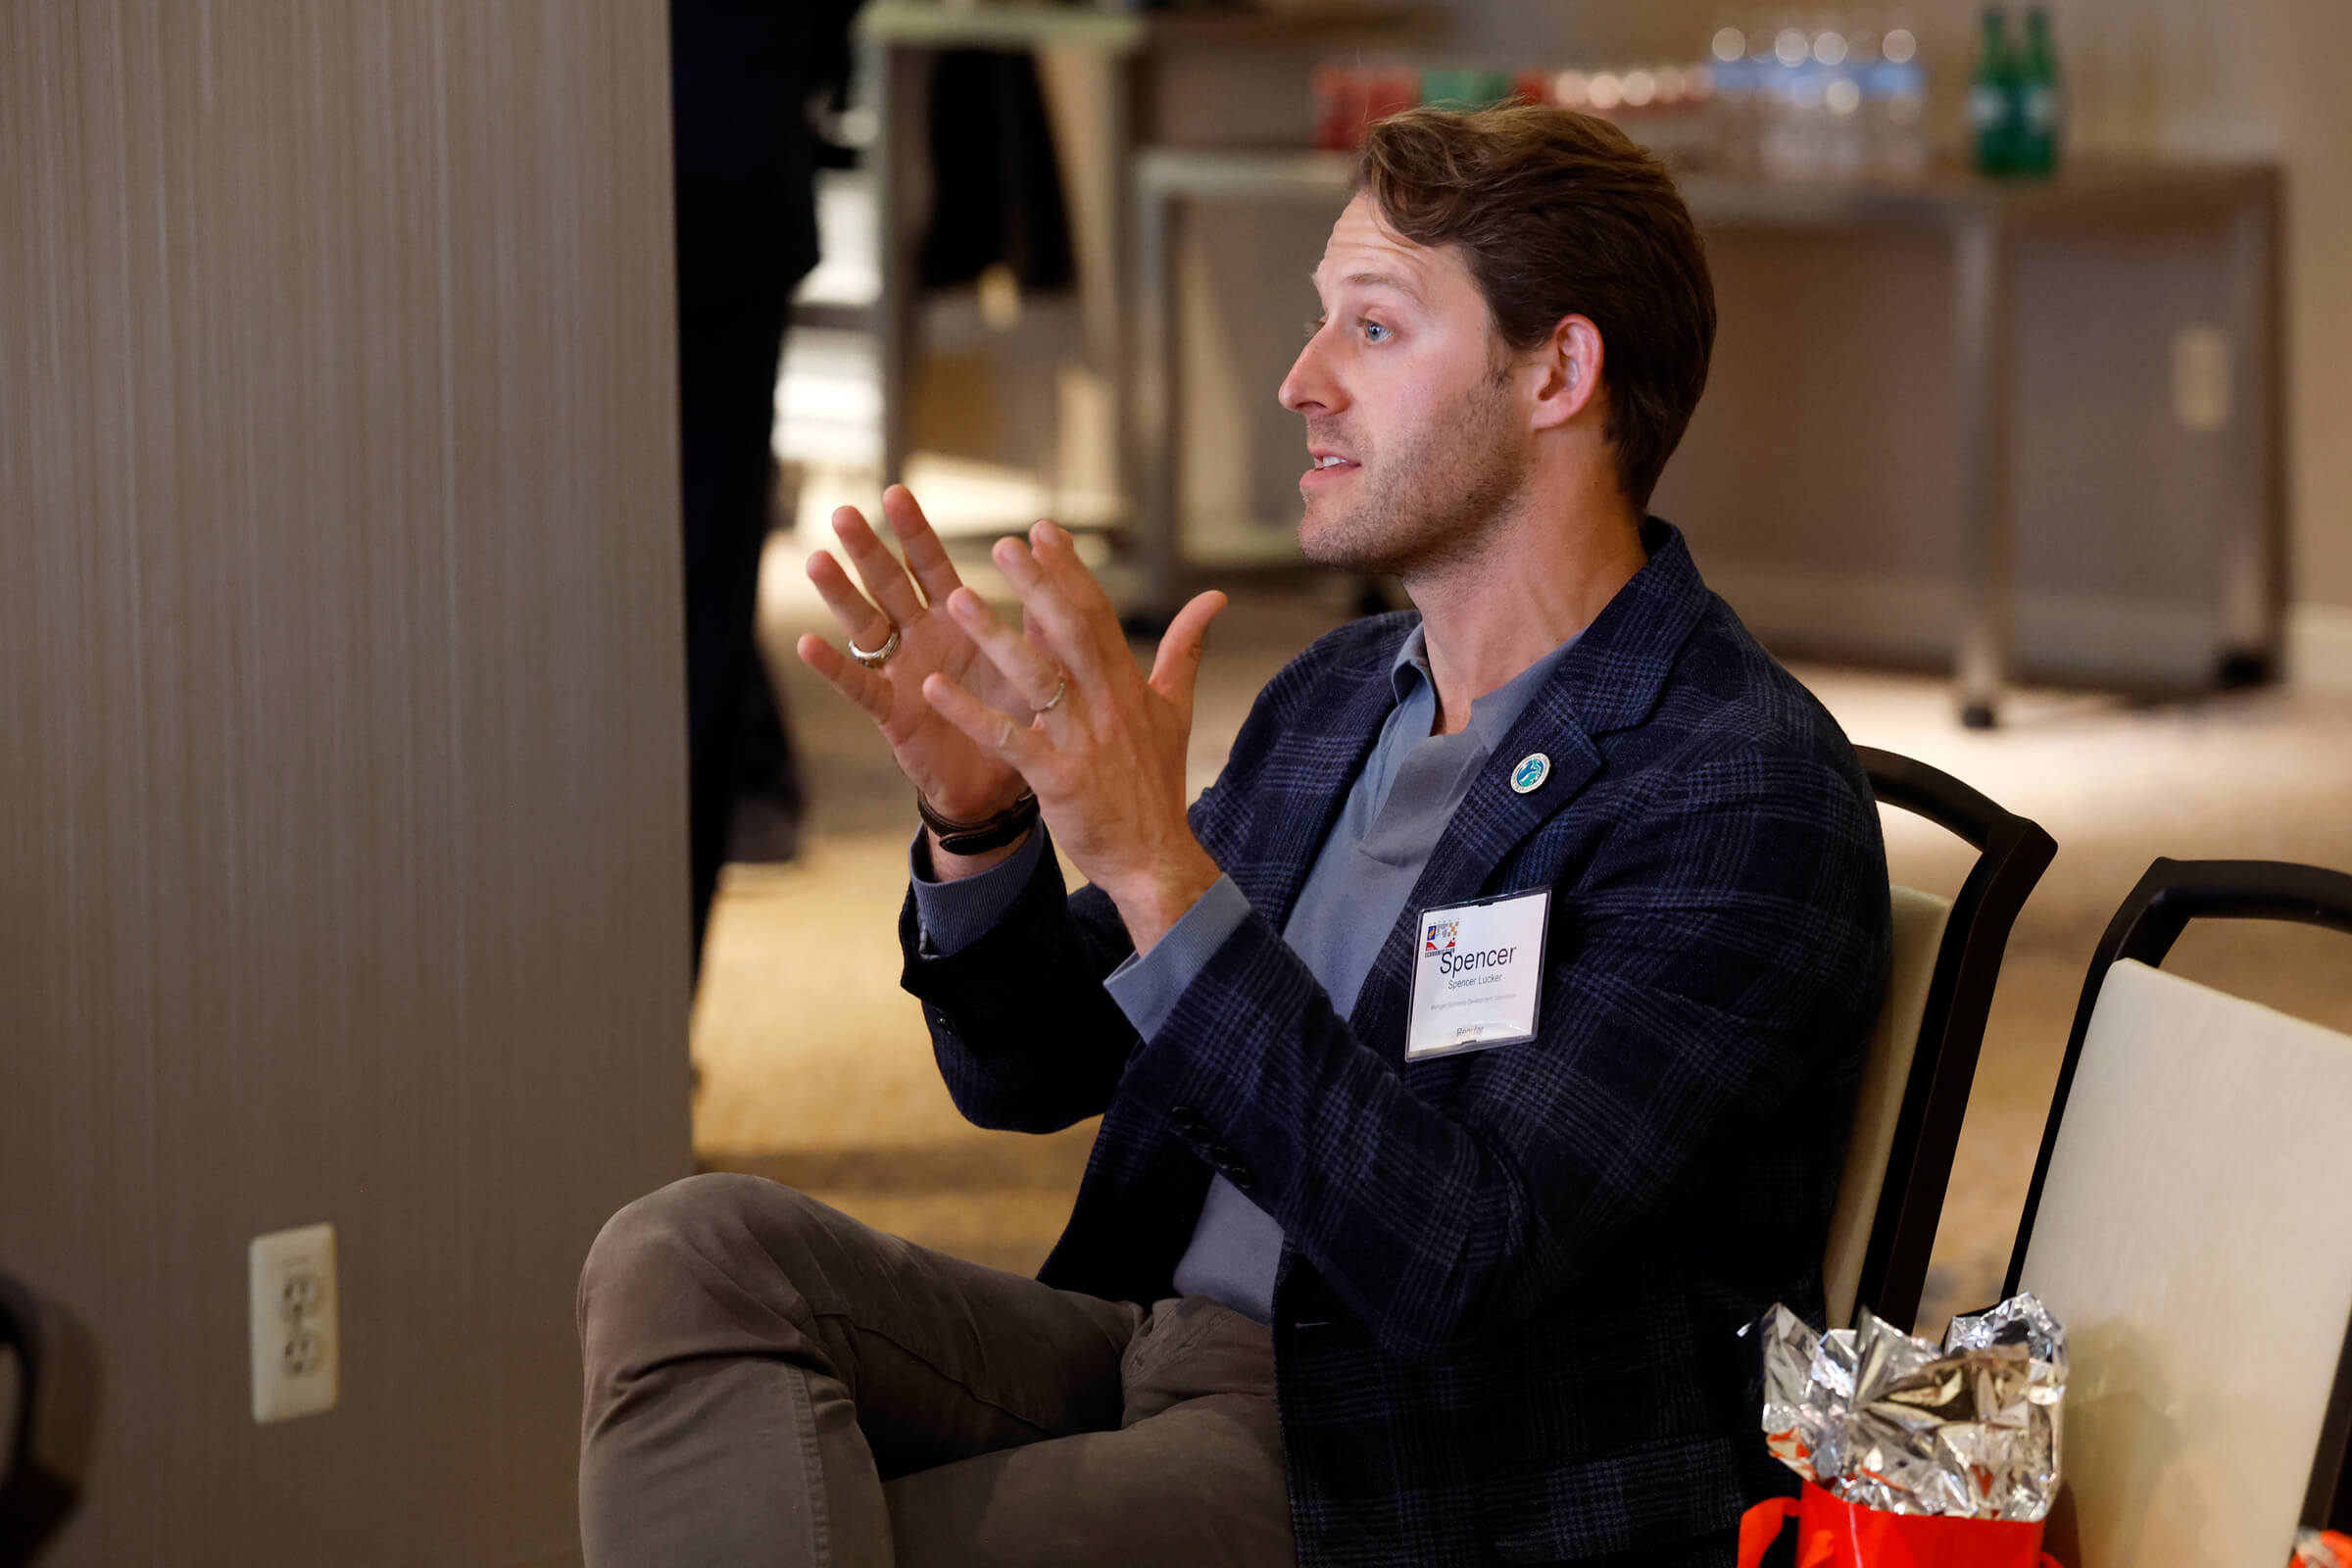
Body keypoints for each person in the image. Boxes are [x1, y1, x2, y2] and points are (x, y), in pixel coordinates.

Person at [578, 104, 1891, 1567]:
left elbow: (1458, 1256)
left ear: (1558, 373)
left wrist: (1158, 871)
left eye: (1373, 329)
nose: (1300, 381)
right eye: (1320, 322)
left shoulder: (1732, 786)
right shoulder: (1339, 696)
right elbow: (1029, 1069)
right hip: (1152, 1341)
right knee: (687, 1252)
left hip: (1407, 1464)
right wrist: (985, 819)